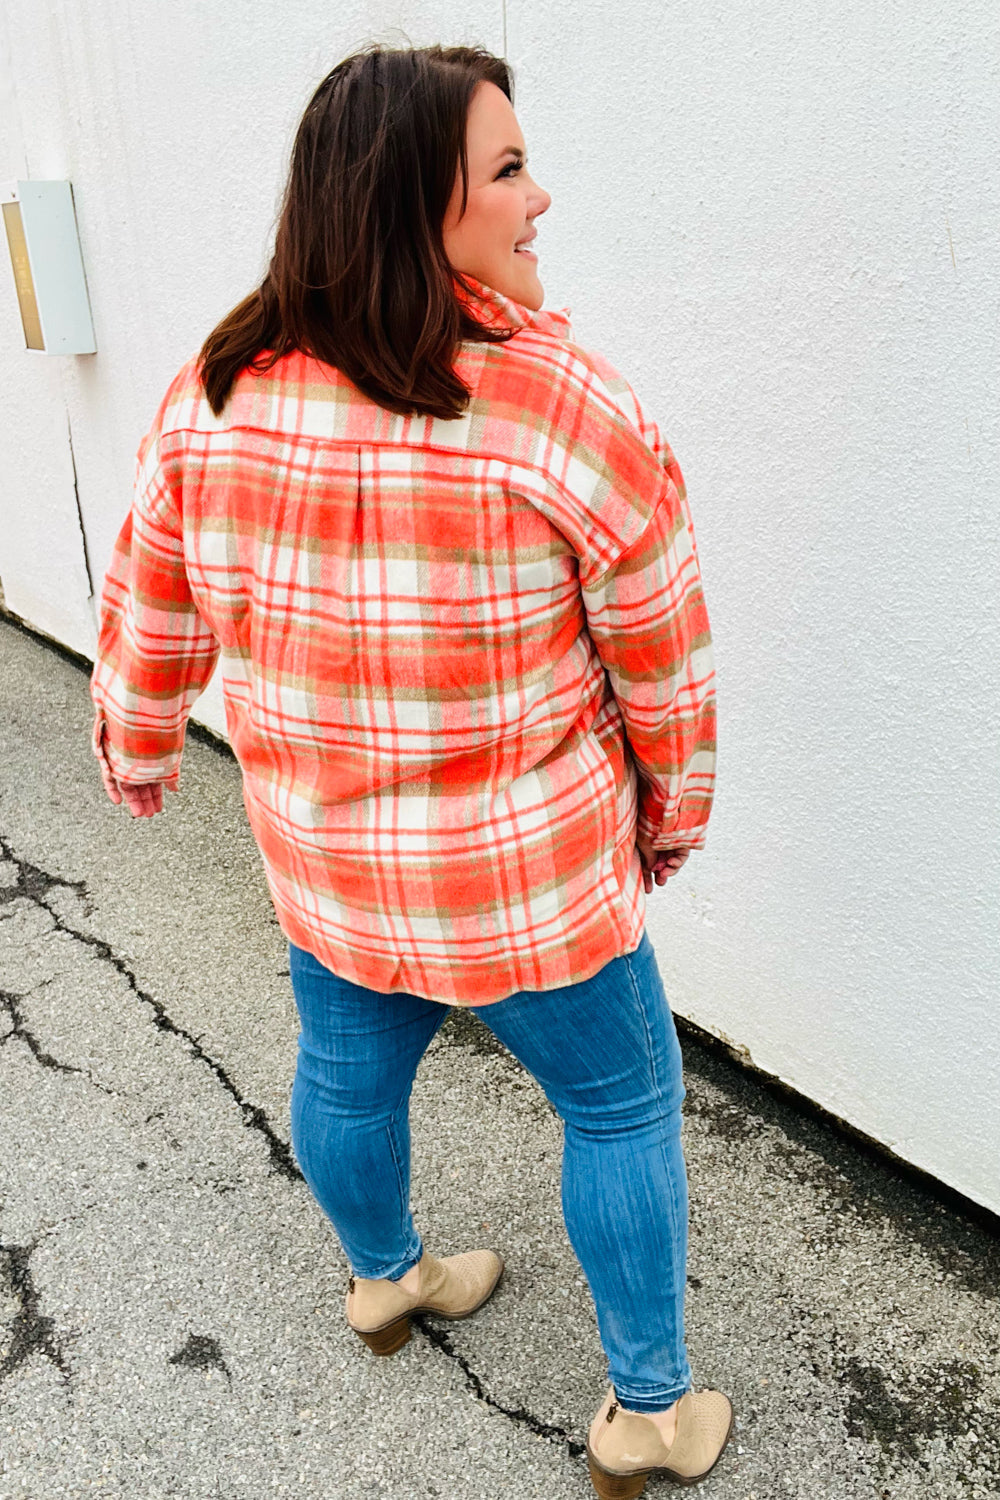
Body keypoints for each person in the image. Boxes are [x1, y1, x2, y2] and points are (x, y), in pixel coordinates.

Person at [90, 43, 731, 1498]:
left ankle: (384, 1278)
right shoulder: (555, 401)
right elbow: (663, 655)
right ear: (407, 204)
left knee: (346, 1068)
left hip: (330, 863)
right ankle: (646, 1414)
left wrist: (135, 748)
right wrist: (673, 819)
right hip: (534, 880)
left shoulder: (223, 388)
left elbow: (150, 599)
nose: (540, 195)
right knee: (621, 1106)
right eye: (507, 171)